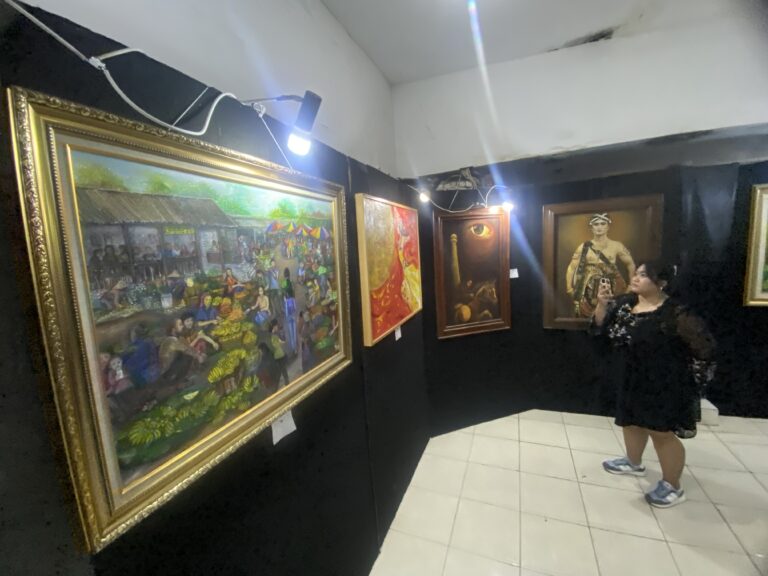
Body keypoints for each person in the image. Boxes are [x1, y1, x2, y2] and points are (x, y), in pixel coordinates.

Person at [591, 261, 716, 508]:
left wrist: (693, 382)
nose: (636, 278)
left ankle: (672, 485)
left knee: (661, 433)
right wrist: (601, 305)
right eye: (636, 273)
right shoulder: (626, 304)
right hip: (631, 377)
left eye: (644, 275)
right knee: (631, 422)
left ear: (662, 283)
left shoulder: (675, 313)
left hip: (663, 383)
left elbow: (705, 348)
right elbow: (599, 329)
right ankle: (633, 462)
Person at [566, 213, 636, 317]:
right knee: (589, 317)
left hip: (612, 286)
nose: (599, 227)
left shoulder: (617, 246)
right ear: (592, 228)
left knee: (611, 317)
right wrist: (569, 288)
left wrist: (631, 285)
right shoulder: (583, 247)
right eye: (596, 224)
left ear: (608, 227)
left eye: (603, 224)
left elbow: (631, 264)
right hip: (588, 289)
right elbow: (572, 268)